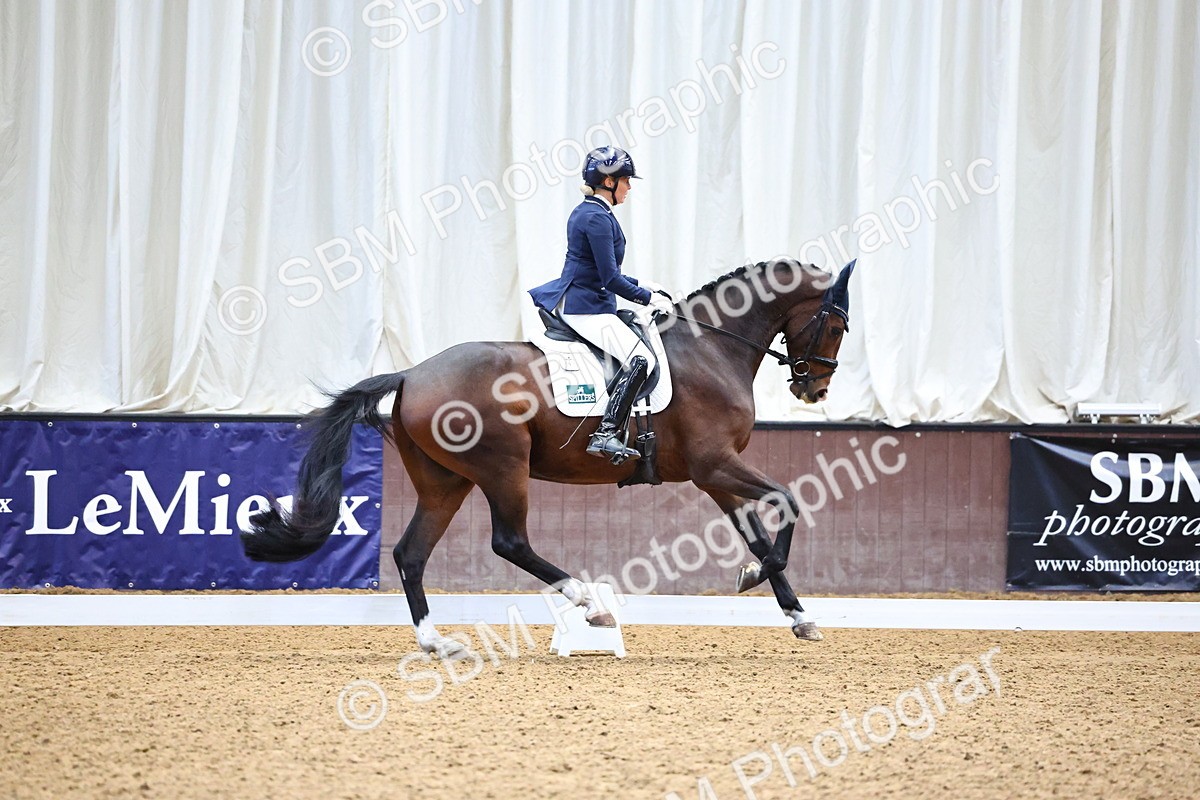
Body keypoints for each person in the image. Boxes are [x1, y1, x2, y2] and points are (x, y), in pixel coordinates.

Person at [528, 146, 674, 464]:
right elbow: (609, 279)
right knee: (641, 359)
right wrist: (648, 299)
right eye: (625, 180)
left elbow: (601, 270)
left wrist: (643, 285)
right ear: (608, 182)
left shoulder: (595, 213)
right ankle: (606, 433)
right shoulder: (595, 217)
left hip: (590, 299)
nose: (629, 187)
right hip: (586, 307)